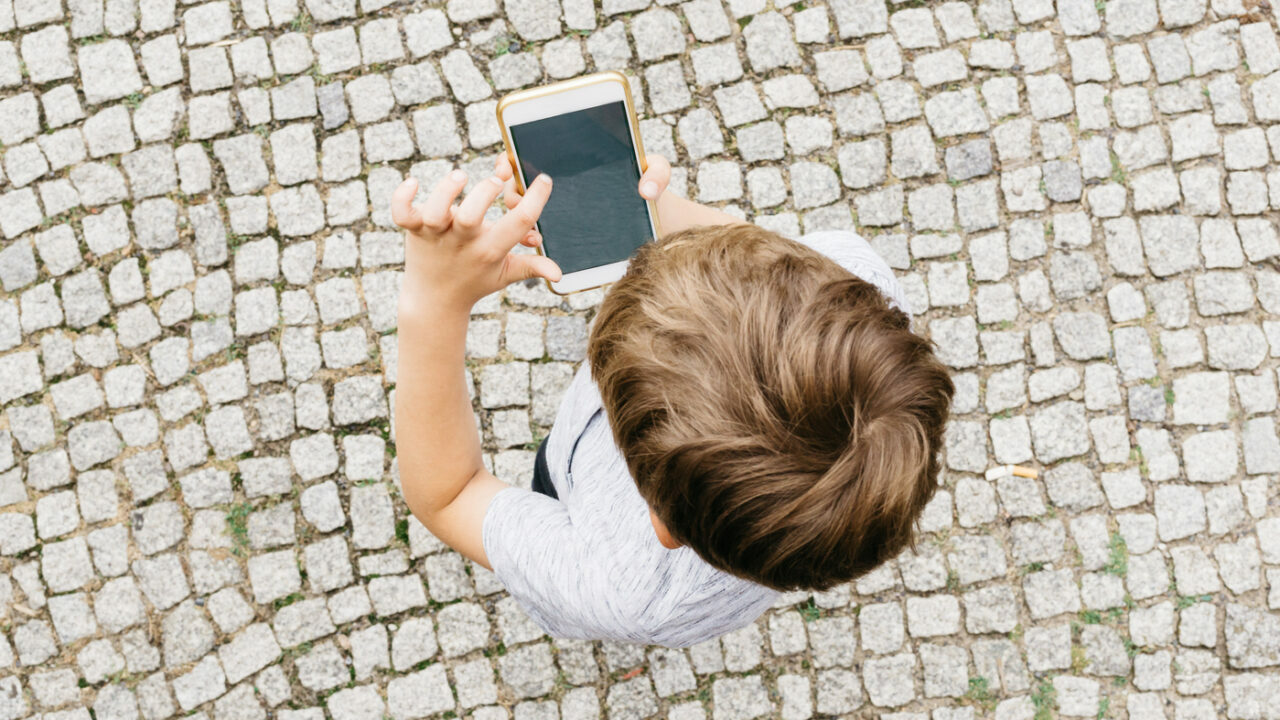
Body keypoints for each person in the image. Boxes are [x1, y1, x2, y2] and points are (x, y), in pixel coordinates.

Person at [390, 153, 954, 647]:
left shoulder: (619, 586)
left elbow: (452, 493)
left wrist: (436, 301)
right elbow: (764, 258)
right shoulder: (853, 283)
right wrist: (651, 210)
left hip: (577, 494)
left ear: (664, 526)